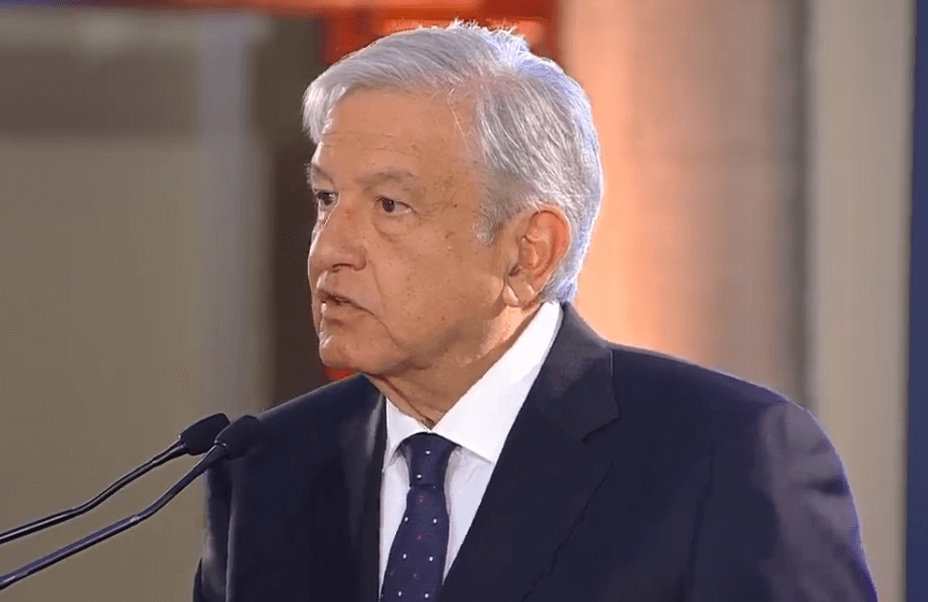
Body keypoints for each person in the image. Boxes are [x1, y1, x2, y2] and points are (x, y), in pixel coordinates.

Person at [193, 22, 877, 602]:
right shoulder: (264, 470)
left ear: (529, 253)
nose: (330, 250)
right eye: (325, 199)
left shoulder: (726, 458)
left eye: (390, 206)